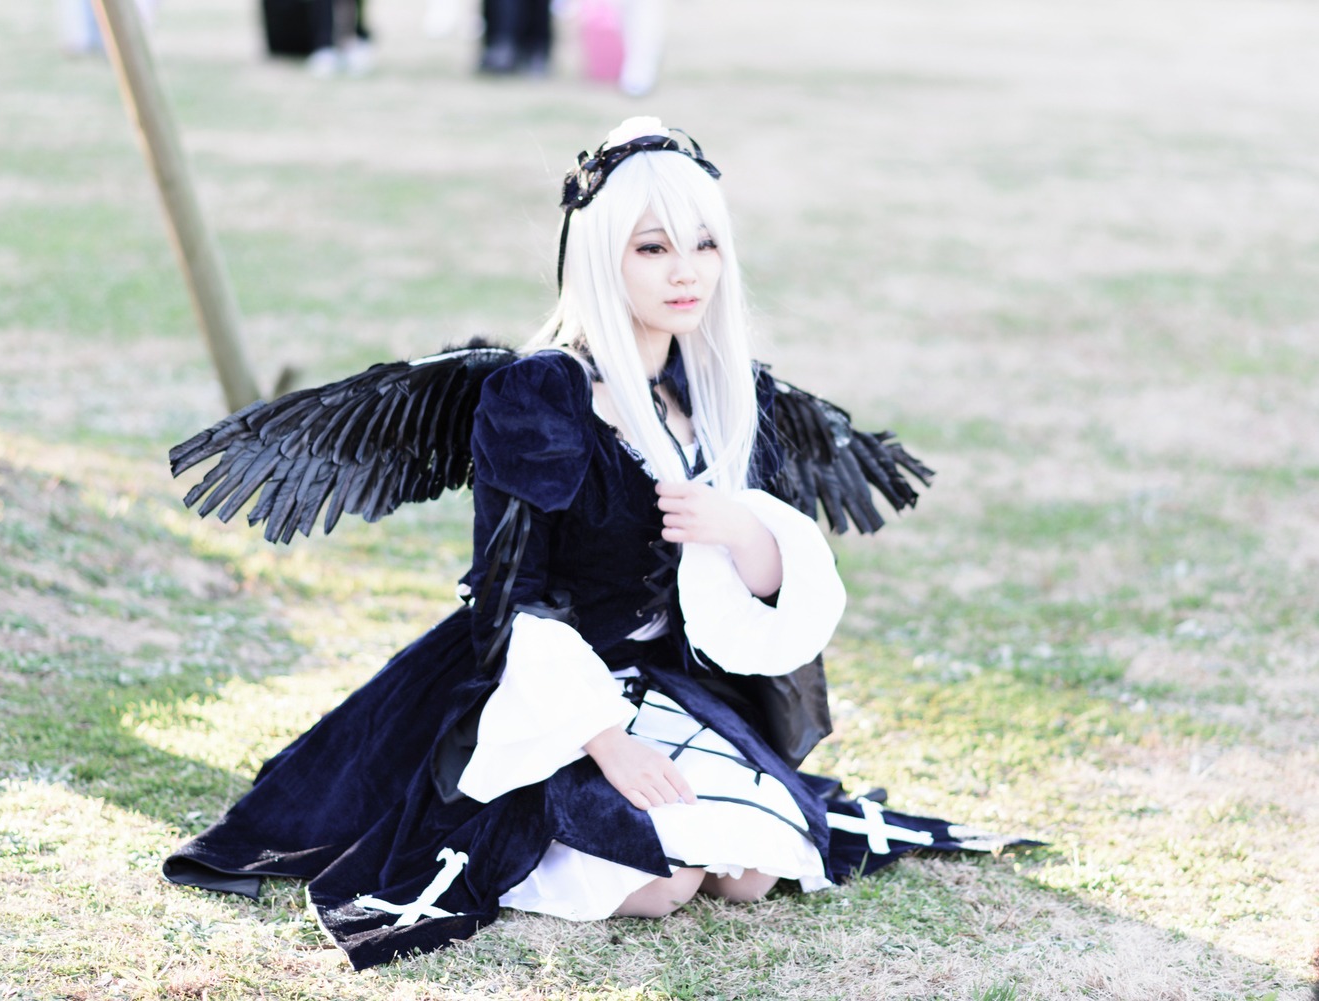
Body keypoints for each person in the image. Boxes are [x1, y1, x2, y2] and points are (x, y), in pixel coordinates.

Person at [163, 117, 1022, 970]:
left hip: (670, 679)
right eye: (652, 248)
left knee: (753, 875)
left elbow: (758, 588)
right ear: (602, 254)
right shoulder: (539, 395)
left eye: (704, 245)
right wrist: (607, 738)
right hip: (538, 690)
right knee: (661, 883)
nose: (686, 271)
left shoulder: (716, 393)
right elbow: (514, 598)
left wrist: (739, 528)